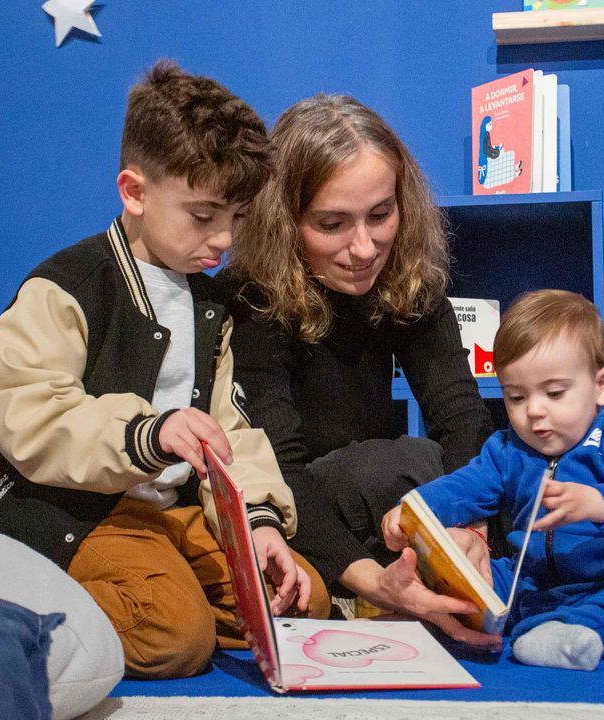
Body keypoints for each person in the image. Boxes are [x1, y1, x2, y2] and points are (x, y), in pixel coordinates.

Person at [0, 60, 328, 680]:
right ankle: (4, 598)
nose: (225, 238)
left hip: (170, 513)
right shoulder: (68, 286)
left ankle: (181, 589)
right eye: (204, 216)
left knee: (302, 598)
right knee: (175, 638)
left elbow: (230, 426)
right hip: (70, 511)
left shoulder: (211, 306)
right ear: (135, 192)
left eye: (237, 217)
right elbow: (29, 413)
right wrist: (148, 433)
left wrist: (255, 522)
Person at [223, 93, 500, 650]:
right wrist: (374, 578)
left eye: (381, 215)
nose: (364, 247)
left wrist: (468, 532)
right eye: (331, 224)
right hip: (300, 506)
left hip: (386, 509)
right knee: (399, 465)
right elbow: (281, 469)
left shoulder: (409, 282)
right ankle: (366, 589)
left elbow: (462, 417)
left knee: (515, 469)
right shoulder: (251, 300)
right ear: (285, 221)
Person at [382, 289, 604, 671]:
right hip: (532, 583)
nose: (534, 411)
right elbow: (465, 486)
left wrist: (600, 503)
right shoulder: (508, 449)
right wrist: (416, 507)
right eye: (516, 397)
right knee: (480, 581)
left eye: (555, 393)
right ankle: (449, 619)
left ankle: (577, 634)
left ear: (602, 385)